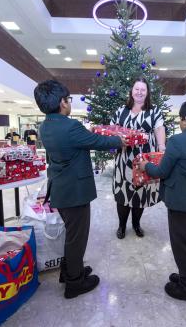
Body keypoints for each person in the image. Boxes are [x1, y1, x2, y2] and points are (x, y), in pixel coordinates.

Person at [34, 80, 126, 299]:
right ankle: (75, 283)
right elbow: (95, 141)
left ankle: (69, 272)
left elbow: (81, 140)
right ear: (61, 103)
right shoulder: (69, 125)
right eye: (68, 100)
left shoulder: (45, 125)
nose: (69, 104)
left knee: (72, 234)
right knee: (77, 238)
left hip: (60, 188)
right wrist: (119, 139)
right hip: (74, 191)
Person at [139, 97, 186, 303]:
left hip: (181, 203)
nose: (180, 123)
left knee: (181, 244)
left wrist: (145, 165)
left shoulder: (177, 141)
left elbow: (162, 171)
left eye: (181, 119)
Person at [111, 77, 166, 239]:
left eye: (143, 89)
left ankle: (136, 224)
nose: (140, 92)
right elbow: (113, 129)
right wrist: (113, 143)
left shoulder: (154, 110)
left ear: (147, 92)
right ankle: (121, 226)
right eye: (137, 89)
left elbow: (159, 128)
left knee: (140, 193)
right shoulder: (121, 110)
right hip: (124, 159)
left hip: (144, 159)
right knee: (123, 194)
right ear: (132, 91)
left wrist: (162, 146)